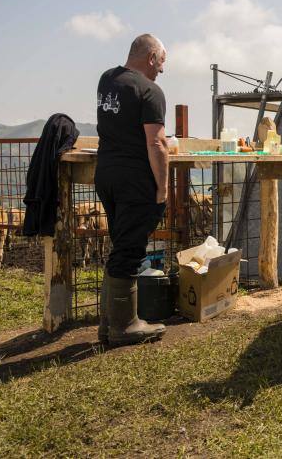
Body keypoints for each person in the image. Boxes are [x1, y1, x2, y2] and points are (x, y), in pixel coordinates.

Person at [95, 34, 169, 345]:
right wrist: (163, 190)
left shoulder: (107, 80)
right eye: (161, 63)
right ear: (152, 57)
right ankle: (125, 327)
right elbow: (156, 143)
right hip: (134, 181)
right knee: (129, 250)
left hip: (107, 175)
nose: (161, 71)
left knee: (121, 245)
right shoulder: (150, 91)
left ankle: (109, 323)